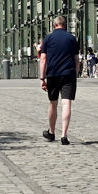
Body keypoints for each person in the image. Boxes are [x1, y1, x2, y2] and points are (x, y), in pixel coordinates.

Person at [39, 15, 80, 145]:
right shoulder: (72, 38)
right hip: (68, 74)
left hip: (52, 74)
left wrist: (42, 78)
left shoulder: (48, 39)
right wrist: (75, 74)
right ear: (65, 25)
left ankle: (51, 132)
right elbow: (76, 59)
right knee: (67, 104)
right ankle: (64, 135)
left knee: (53, 103)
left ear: (54, 25)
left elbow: (43, 59)